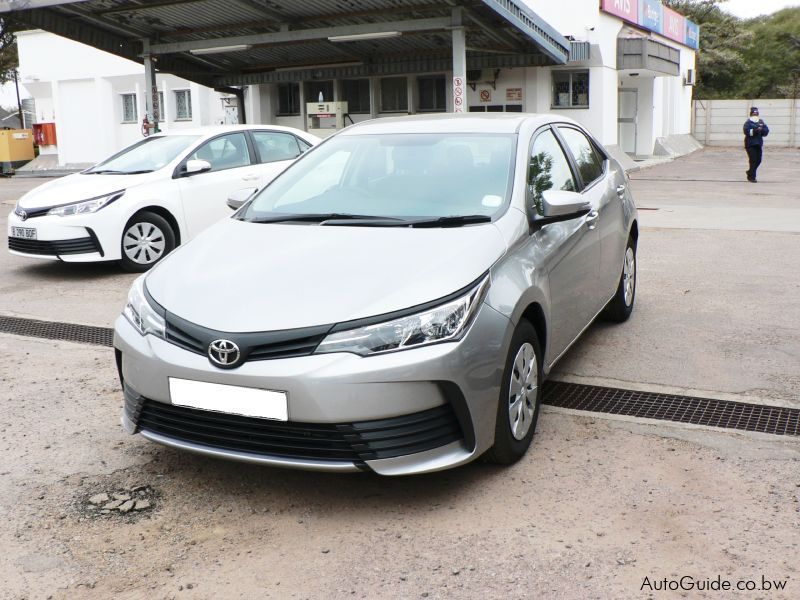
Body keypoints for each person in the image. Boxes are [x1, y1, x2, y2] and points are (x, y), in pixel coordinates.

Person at [743, 107, 769, 183]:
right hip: (750, 144)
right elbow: (746, 132)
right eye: (754, 113)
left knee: (759, 160)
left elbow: (766, 132)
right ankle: (752, 178)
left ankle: (750, 172)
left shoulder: (761, 122)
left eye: (756, 113)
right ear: (751, 114)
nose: (755, 114)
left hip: (758, 144)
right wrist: (755, 130)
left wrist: (762, 130)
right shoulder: (748, 122)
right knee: (753, 160)